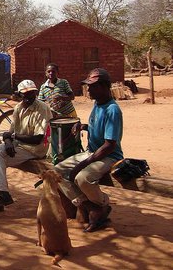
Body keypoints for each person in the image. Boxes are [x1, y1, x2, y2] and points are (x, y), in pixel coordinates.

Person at [55, 68, 123, 232]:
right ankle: (90, 206)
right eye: (88, 86)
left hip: (108, 156)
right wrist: (84, 126)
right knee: (56, 171)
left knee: (83, 178)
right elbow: (97, 128)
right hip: (92, 152)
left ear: (104, 87)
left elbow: (109, 145)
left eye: (93, 86)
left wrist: (84, 163)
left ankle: (102, 204)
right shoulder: (97, 104)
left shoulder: (112, 110)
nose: (89, 90)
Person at [0, 80, 52, 212]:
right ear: (20, 95)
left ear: (36, 93)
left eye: (32, 93)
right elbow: (9, 133)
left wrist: (12, 138)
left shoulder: (42, 108)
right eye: (25, 94)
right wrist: (8, 141)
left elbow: (37, 138)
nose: (29, 96)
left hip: (34, 150)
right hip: (19, 147)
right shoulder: (18, 108)